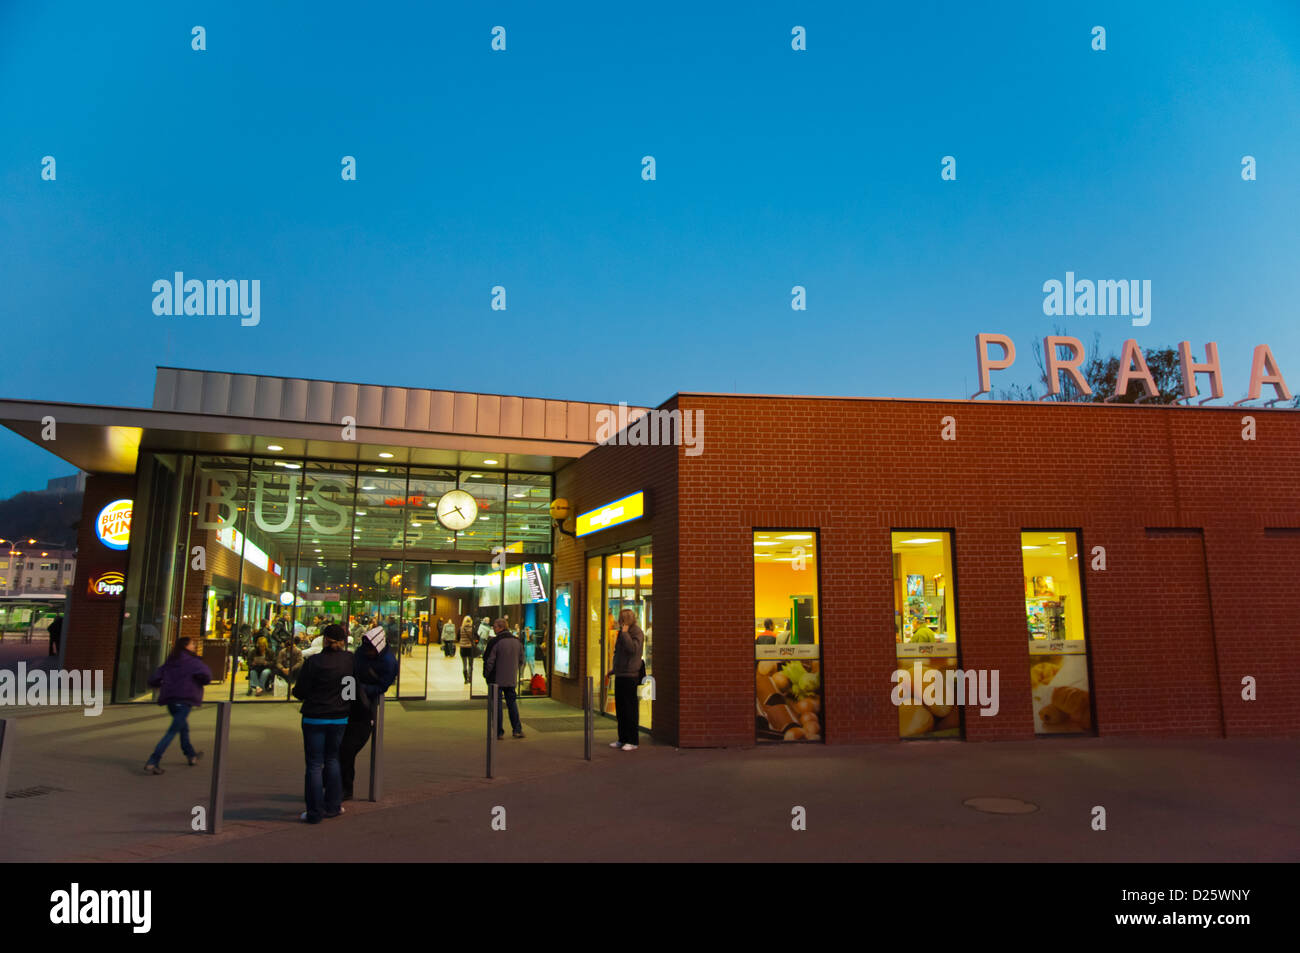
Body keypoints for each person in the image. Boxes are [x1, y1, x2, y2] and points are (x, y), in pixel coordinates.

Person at [291, 623, 353, 823]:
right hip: (339, 717)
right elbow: (351, 689)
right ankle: (334, 806)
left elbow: (300, 691)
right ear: (343, 641)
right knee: (333, 760)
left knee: (314, 764)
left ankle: (314, 812)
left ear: (324, 640)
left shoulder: (314, 662)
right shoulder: (349, 661)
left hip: (314, 716)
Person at [339, 625, 398, 801]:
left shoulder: (388, 662)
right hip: (350, 701)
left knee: (346, 749)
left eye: (370, 650)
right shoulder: (362, 653)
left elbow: (382, 686)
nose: (367, 653)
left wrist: (361, 689)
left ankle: (344, 788)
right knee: (341, 749)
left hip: (364, 708)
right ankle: (340, 786)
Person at [143, 637, 211, 774]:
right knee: (172, 731)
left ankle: (191, 755)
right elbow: (207, 676)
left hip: (171, 700)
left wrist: (162, 685)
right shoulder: (194, 662)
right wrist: (199, 680)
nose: (194, 646)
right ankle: (153, 760)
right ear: (186, 646)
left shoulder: (171, 661)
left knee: (183, 727)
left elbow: (155, 678)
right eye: (192, 644)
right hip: (185, 700)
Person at [607, 609, 645, 751]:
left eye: (621, 618)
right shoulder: (623, 632)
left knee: (630, 709)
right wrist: (614, 669)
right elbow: (619, 653)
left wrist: (624, 633)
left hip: (631, 676)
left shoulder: (636, 632)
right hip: (620, 674)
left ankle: (633, 740)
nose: (619, 621)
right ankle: (622, 738)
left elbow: (632, 649)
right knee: (621, 709)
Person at [482, 618, 524, 739]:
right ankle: (517, 729)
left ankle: (499, 732)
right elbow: (521, 660)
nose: (493, 629)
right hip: (511, 679)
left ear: (500, 627)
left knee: (497, 705)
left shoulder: (494, 642)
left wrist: (486, 674)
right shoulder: (517, 642)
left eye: (494, 627)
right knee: (512, 703)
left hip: (496, 679)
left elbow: (489, 661)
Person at [456, 615, 476, 684]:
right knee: (470, 664)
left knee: (464, 664)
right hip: (470, 648)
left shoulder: (461, 628)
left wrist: (462, 642)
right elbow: (476, 637)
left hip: (463, 648)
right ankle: (470, 678)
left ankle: (465, 679)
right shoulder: (473, 628)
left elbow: (458, 637)